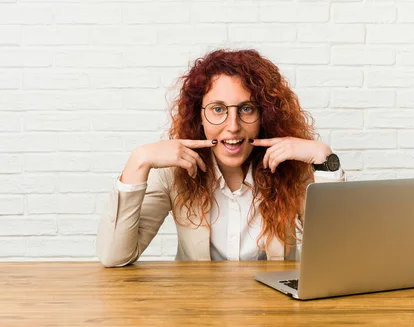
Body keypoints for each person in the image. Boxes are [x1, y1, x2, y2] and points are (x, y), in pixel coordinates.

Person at [96, 49, 345, 267]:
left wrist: (324, 159)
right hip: (199, 309)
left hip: (278, 311)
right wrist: (138, 160)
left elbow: (336, 255)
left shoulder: (291, 166)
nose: (233, 126)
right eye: (218, 109)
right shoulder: (173, 172)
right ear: (199, 117)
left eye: (246, 109)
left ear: (264, 116)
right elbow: (114, 257)